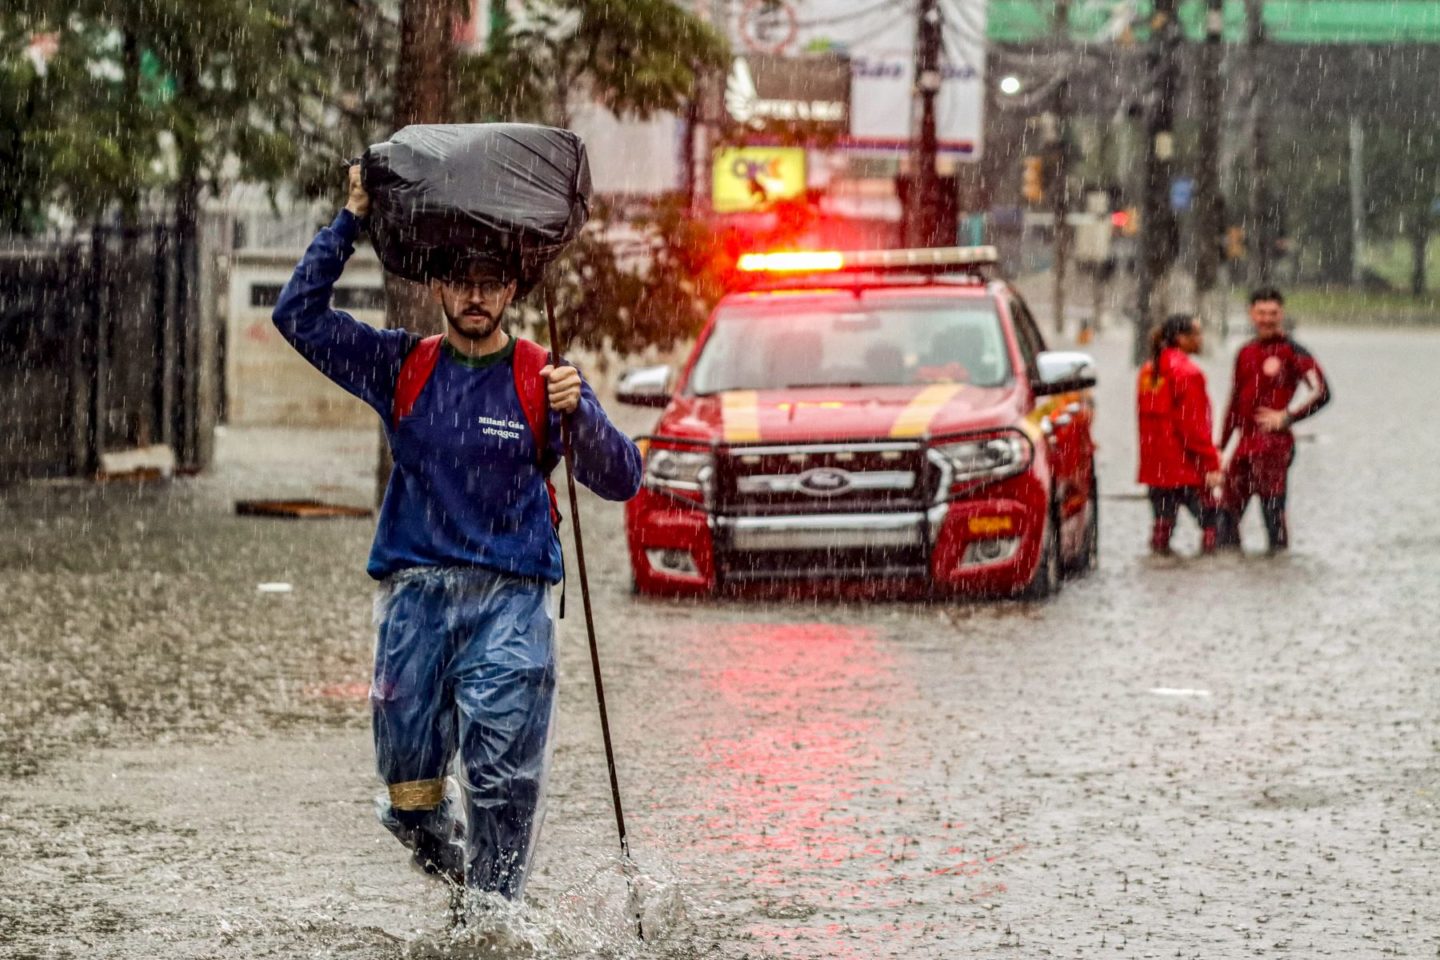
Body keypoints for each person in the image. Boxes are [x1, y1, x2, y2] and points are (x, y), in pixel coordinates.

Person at [271, 166, 642, 902]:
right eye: (462, 281)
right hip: (413, 605)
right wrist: (350, 220)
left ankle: (492, 921)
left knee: (502, 781)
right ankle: (465, 885)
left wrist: (584, 416)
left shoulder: (544, 377)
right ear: (438, 288)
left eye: (492, 282)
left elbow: (623, 478)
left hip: (511, 602)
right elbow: (298, 316)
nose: (477, 296)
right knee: (410, 801)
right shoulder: (399, 364)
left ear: (512, 292)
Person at [1215, 287, 1330, 552]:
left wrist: (1289, 417)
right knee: (1224, 518)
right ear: (1251, 314)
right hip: (1244, 446)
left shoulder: (1293, 351)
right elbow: (1235, 402)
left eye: (1273, 313)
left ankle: (1276, 573)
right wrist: (1220, 446)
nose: (1267, 319)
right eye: (1261, 313)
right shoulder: (1245, 352)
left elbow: (1322, 391)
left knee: (1273, 515)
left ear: (1282, 314)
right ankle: (1229, 579)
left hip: (1273, 448)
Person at [1136, 314, 1223, 555]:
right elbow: (1193, 427)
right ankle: (1208, 575)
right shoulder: (1188, 373)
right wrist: (1211, 464)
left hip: (1156, 467)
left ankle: (1161, 573)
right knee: (1211, 525)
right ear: (1181, 338)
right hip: (1186, 468)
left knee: (1162, 527)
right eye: (1196, 334)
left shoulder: (1148, 371)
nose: (1200, 339)